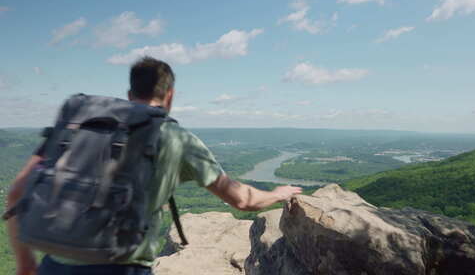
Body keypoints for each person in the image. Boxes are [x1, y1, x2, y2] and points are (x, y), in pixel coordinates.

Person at [6, 56, 303, 275]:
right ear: (170, 95)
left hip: (54, 264)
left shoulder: (79, 123)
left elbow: (17, 193)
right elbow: (241, 199)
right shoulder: (174, 137)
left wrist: (25, 265)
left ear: (130, 94)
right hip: (124, 268)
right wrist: (279, 193)